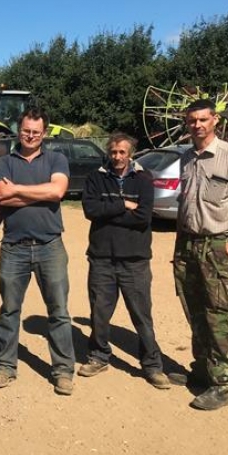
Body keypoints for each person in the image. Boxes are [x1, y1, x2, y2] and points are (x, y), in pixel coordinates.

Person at [172, 99, 228, 411]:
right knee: (195, 309)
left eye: (203, 119)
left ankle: (222, 384)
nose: (197, 125)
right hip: (188, 245)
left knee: (221, 315)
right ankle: (202, 371)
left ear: (214, 120)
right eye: (192, 120)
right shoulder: (187, 158)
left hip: (217, 246)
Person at [0, 107, 76, 395]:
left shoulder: (56, 158)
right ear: (18, 129)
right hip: (14, 247)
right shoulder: (4, 162)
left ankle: (63, 371)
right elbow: (2, 197)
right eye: (26, 130)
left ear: (44, 133)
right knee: (9, 310)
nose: (30, 136)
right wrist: (38, 191)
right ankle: (5, 366)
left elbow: (57, 193)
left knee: (59, 311)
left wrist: (19, 190)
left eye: (36, 132)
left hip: (50, 245)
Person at [79, 132, 170, 389]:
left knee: (142, 315)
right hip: (102, 258)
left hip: (134, 260)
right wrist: (123, 205)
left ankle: (152, 364)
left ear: (130, 153)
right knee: (99, 312)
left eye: (122, 152)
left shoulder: (143, 179)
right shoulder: (96, 177)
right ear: (108, 152)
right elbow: (90, 210)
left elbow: (143, 217)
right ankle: (98, 356)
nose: (117, 157)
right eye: (113, 152)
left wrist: (111, 211)